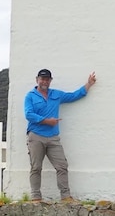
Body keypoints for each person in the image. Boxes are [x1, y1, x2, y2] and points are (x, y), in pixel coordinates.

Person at [24, 68, 97, 203]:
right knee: (36, 167)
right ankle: (36, 197)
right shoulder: (30, 96)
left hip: (53, 137)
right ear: (37, 80)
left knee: (62, 166)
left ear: (50, 81)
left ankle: (66, 197)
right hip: (36, 136)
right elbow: (28, 114)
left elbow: (74, 95)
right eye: (42, 79)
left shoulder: (56, 94)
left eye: (47, 79)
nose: (44, 81)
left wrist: (88, 84)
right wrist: (47, 121)